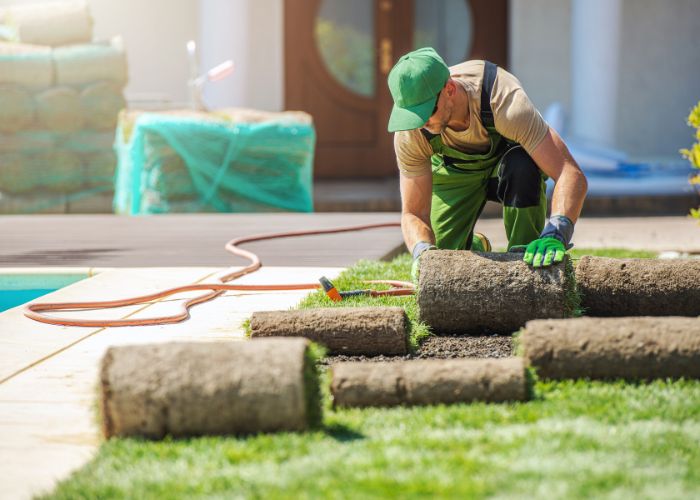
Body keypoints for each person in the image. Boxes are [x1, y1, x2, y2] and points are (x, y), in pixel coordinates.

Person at [387, 48, 587, 280]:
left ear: (449, 89)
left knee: (522, 164)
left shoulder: (504, 101)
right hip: (454, 173)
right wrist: (422, 251)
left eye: (427, 112)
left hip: (507, 169)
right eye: (412, 116)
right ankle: (475, 244)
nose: (421, 123)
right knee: (441, 264)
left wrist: (557, 231)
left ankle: (525, 260)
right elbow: (413, 213)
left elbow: (569, 172)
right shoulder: (410, 133)